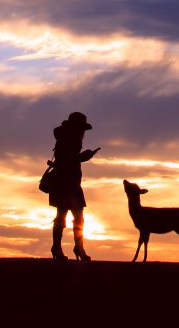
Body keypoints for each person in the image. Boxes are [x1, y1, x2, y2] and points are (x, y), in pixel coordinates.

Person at [48, 111, 100, 261]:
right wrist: (84, 156)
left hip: (66, 183)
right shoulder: (70, 139)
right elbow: (68, 159)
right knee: (71, 217)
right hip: (66, 183)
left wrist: (81, 157)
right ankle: (71, 248)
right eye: (82, 128)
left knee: (67, 216)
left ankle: (66, 248)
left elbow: (68, 158)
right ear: (77, 127)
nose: (83, 132)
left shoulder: (65, 138)